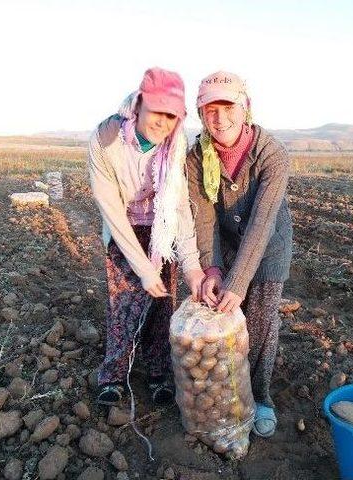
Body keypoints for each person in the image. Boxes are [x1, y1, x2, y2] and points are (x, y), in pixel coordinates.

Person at [87, 67, 205, 406]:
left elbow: (179, 208)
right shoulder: (106, 140)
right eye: (158, 112)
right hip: (124, 227)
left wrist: (191, 266)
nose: (163, 123)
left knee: (161, 305)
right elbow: (111, 209)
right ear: (139, 104)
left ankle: (158, 372)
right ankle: (113, 375)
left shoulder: (174, 146)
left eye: (172, 116)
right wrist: (144, 269)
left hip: (161, 230)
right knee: (123, 303)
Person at [186, 71, 293, 437]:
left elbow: (263, 222)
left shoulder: (271, 155)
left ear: (245, 107)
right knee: (222, 316)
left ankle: (261, 397)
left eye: (227, 106)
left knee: (260, 323)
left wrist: (239, 280)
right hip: (226, 242)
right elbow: (204, 216)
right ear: (201, 115)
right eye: (209, 110)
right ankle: (228, 392)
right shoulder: (197, 157)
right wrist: (212, 268)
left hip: (268, 248)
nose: (220, 118)